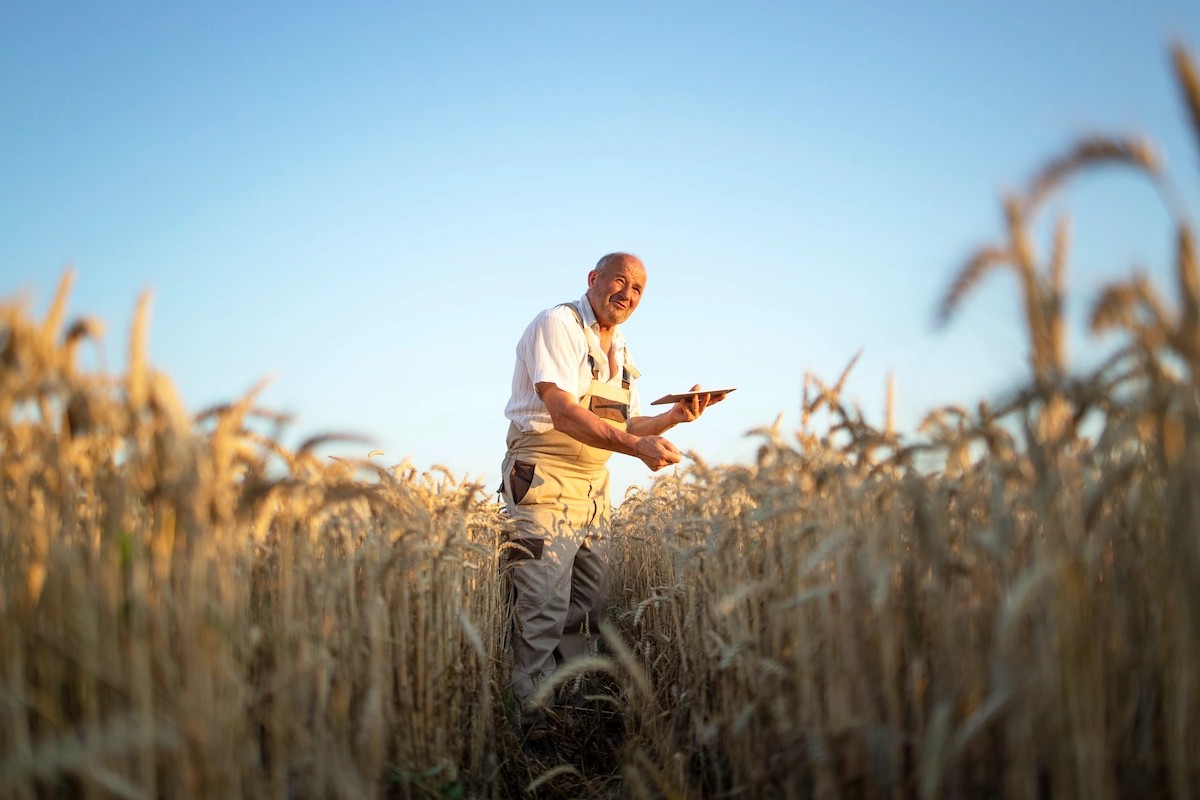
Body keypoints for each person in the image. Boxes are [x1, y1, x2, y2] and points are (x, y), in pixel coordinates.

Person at [499, 252, 725, 752]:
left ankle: (574, 717)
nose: (627, 293)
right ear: (593, 279)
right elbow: (561, 411)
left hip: (593, 486)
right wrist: (635, 448)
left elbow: (628, 424)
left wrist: (674, 420)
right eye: (619, 280)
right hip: (543, 478)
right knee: (542, 607)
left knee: (588, 608)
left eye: (638, 289)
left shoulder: (620, 346)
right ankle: (534, 735)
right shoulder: (558, 324)